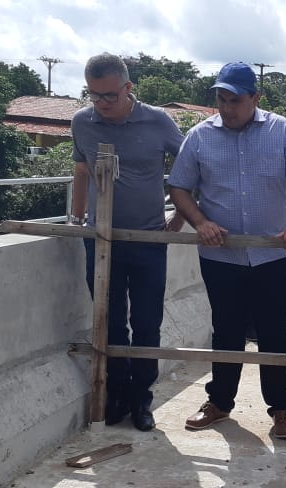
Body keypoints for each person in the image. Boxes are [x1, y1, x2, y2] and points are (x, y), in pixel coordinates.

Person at [168, 62, 286, 439]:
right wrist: (201, 222)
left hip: (273, 252)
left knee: (274, 332)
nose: (227, 108)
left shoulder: (281, 130)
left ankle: (281, 409)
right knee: (226, 329)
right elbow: (180, 187)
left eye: (235, 100)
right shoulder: (200, 136)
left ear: (256, 98)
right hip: (221, 254)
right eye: (221, 99)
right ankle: (219, 402)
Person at [70, 53, 185, 432]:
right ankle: (116, 395)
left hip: (149, 238)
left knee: (147, 323)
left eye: (109, 96)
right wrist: (77, 217)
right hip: (102, 240)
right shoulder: (82, 123)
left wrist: (181, 217)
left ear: (128, 89)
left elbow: (188, 169)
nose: (101, 104)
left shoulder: (158, 121)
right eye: (93, 95)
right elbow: (82, 169)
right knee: (109, 323)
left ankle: (142, 399)